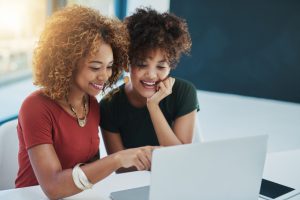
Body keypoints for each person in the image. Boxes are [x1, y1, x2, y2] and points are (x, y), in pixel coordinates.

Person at [16, 5, 154, 199]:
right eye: (95, 67)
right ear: (67, 62)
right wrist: (117, 159)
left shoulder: (91, 105)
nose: (104, 76)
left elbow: (89, 170)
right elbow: (53, 187)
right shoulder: (35, 107)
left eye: (109, 67)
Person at [100, 7, 199, 173]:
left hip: (176, 179)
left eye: (161, 66)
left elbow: (180, 160)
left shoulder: (184, 92)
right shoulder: (109, 105)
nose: (152, 75)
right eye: (142, 64)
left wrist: (153, 106)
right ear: (127, 63)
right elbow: (121, 169)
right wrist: (159, 157)